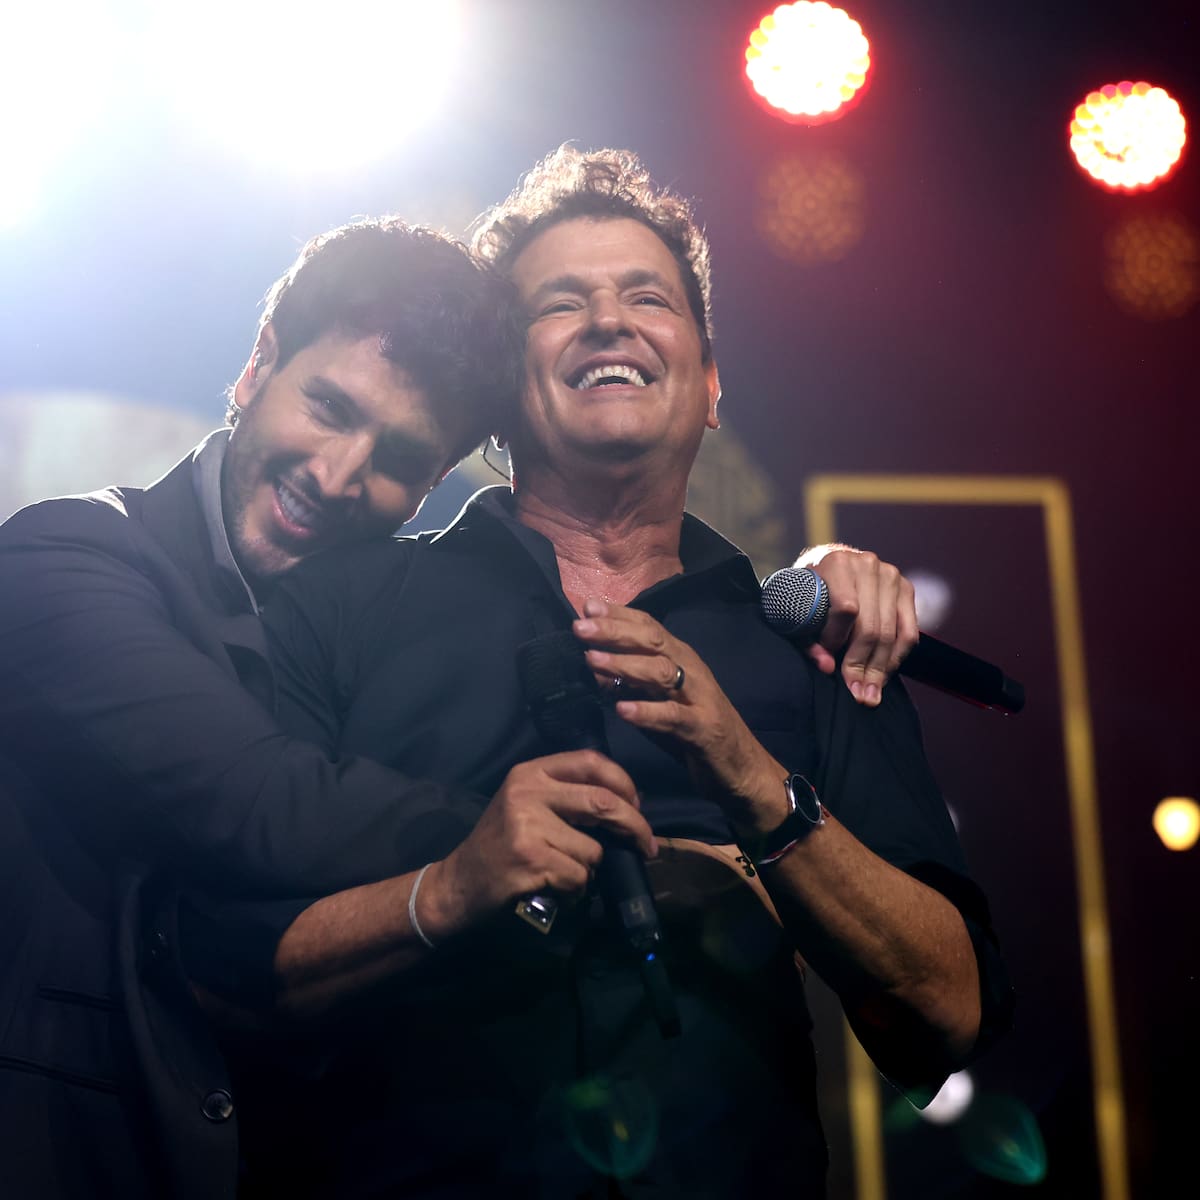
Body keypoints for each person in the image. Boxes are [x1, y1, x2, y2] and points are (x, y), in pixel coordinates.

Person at [0, 209, 919, 1200]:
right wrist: (614, 853)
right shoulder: (66, 558)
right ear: (257, 365)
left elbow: (947, 1009)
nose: (337, 475)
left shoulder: (348, 607)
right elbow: (262, 800)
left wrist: (812, 582)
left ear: (436, 480)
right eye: (328, 407)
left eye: (399, 458)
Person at [212, 147, 1012, 1198]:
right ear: (500, 400)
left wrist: (753, 783)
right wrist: (451, 889)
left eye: (648, 298)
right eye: (560, 304)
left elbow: (945, 1016)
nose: (608, 322)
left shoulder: (812, 644)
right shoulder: (344, 604)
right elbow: (222, 965)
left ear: (712, 386)